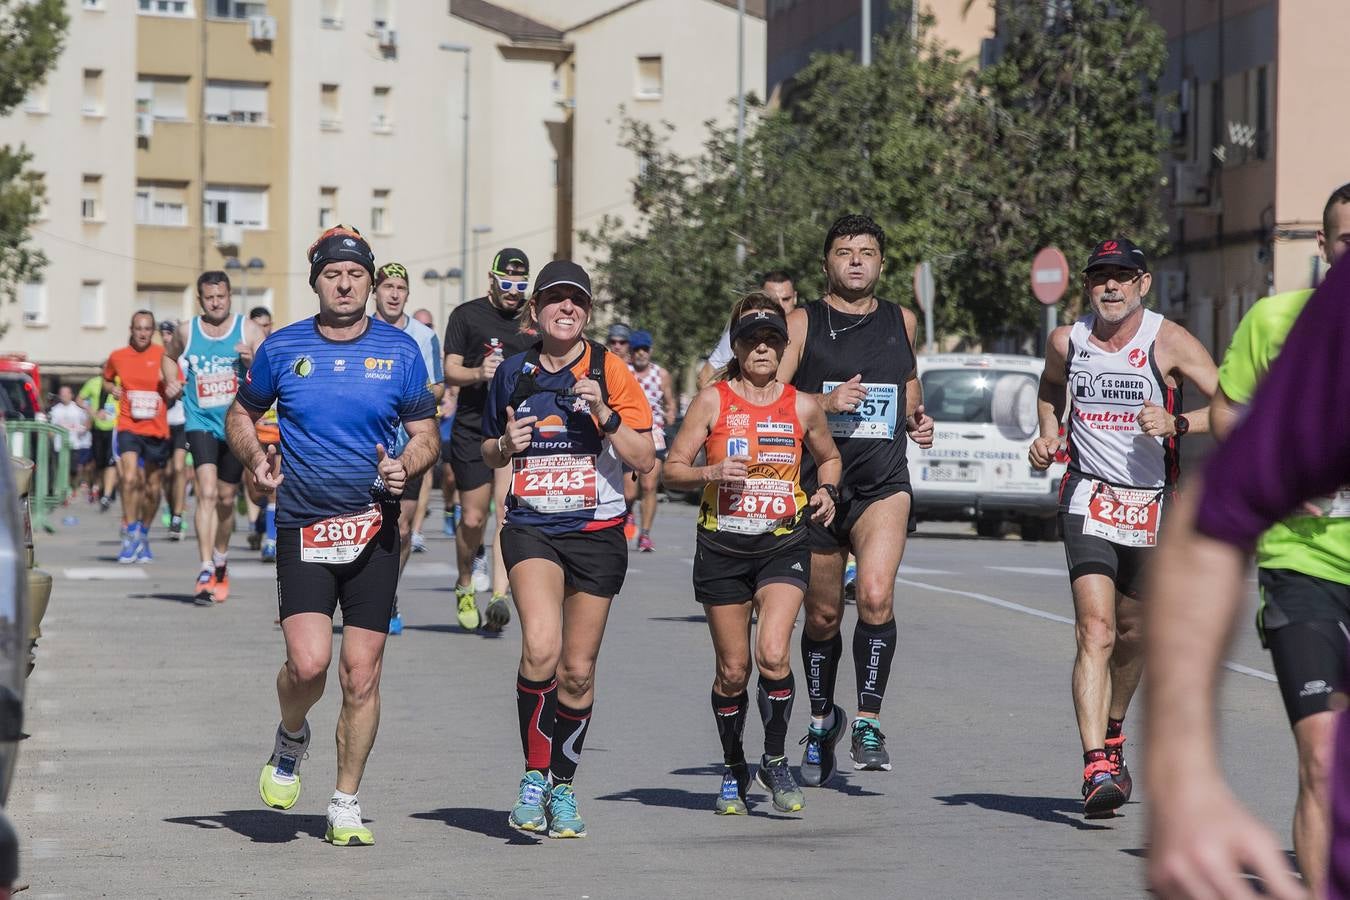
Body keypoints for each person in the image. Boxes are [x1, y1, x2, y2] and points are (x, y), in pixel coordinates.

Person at [1145, 253, 1350, 900]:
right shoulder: (1320, 318)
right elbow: (1209, 518)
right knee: (1320, 754)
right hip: (1305, 562)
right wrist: (1184, 778)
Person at [226, 225, 438, 847]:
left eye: (355, 275)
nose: (344, 284)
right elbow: (242, 412)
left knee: (361, 673)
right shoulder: (281, 347)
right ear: (316, 281)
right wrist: (255, 460)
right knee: (308, 663)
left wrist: (410, 464)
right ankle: (291, 735)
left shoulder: (400, 352)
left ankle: (345, 800)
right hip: (304, 526)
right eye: (332, 274)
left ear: (370, 284)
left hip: (374, 528)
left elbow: (425, 432)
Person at [1028, 237, 1217, 817]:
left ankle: (1112, 731)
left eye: (1121, 276)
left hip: (1153, 506)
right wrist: (1048, 433)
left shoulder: (1169, 339)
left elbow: (1237, 403)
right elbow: (1050, 387)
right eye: (1099, 277)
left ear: (1143, 283)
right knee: (1097, 629)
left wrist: (1179, 419)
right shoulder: (1070, 339)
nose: (1109, 286)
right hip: (1087, 497)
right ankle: (1096, 766)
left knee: (1135, 636)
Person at [481, 260, 654, 839]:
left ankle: (563, 785)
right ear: (535, 311)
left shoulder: (611, 370)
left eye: (576, 302)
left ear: (586, 312)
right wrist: (505, 444)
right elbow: (486, 450)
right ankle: (533, 776)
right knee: (541, 647)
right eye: (555, 300)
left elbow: (643, 458)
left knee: (577, 672)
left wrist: (604, 415)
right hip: (531, 526)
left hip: (597, 533)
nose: (566, 309)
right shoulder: (512, 372)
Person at [664, 295, 841, 814]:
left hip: (782, 545)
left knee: (772, 654)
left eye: (771, 341)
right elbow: (671, 468)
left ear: (784, 349)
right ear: (737, 348)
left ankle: (775, 757)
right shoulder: (712, 401)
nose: (761, 348)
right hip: (721, 546)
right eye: (751, 340)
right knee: (734, 671)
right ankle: (733, 764)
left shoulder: (802, 404)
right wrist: (709, 474)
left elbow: (829, 457)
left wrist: (827, 491)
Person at [774, 214, 934, 785]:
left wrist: (918, 416)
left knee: (873, 595)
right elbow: (774, 396)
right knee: (819, 615)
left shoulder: (901, 319)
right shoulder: (801, 322)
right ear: (827, 264)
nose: (857, 261)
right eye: (845, 252)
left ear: (882, 263)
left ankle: (868, 720)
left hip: (882, 482)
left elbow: (908, 383)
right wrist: (826, 400)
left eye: (867, 252)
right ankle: (823, 721)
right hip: (816, 486)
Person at [443, 247, 537, 632]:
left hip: (514, 428)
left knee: (505, 511)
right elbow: (450, 370)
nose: (513, 292)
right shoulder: (467, 315)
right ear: (492, 279)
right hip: (471, 427)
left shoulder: (533, 323)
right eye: (507, 282)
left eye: (521, 284)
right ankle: (466, 582)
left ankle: (499, 595)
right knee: (472, 517)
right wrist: (479, 372)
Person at [167, 272, 267, 604]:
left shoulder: (248, 330)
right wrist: (171, 382)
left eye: (221, 297)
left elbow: (269, 371)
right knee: (206, 492)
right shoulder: (186, 330)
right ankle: (205, 566)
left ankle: (221, 558)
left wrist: (251, 362)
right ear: (200, 299)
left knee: (226, 499)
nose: (216, 303)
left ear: (229, 296)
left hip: (236, 424)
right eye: (209, 298)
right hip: (199, 420)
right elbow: (167, 358)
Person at [371, 262, 446, 634]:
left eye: (401, 287)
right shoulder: (360, 331)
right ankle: (361, 593)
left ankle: (387, 594)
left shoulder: (423, 335)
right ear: (375, 291)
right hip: (367, 446)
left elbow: (439, 388)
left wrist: (403, 394)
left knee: (401, 528)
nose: (394, 293)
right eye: (388, 286)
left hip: (410, 446)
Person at [102, 311, 183, 563]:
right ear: (131, 328)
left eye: (148, 328)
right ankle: (130, 532)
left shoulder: (163, 355)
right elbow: (105, 379)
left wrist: (173, 388)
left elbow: (178, 384)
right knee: (128, 478)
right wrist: (112, 388)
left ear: (153, 331)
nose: (143, 333)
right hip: (128, 425)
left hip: (156, 429)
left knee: (152, 488)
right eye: (139, 328)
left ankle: (144, 533)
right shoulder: (118, 356)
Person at [697, 271, 799, 389]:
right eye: (774, 301)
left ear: (795, 297)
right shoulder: (743, 329)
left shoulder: (809, 325)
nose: (781, 306)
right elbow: (704, 377)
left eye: (786, 299)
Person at [623, 330, 676, 552]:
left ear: (650, 351)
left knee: (649, 485)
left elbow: (670, 401)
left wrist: (671, 415)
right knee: (629, 492)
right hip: (629, 432)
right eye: (637, 350)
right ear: (631, 352)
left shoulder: (661, 374)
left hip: (654, 432)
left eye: (644, 349)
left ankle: (645, 534)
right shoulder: (623, 371)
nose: (641, 354)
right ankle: (627, 514)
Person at [242, 305, 274, 553]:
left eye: (267, 324)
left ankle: (270, 541)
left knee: (275, 483)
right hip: (251, 430)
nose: (264, 329)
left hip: (275, 430)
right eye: (259, 325)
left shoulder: (278, 348)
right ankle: (255, 521)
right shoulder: (239, 352)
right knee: (253, 489)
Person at [159, 321, 189, 542]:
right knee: (166, 474)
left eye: (171, 333)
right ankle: (172, 508)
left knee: (179, 468)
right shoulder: (158, 358)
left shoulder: (186, 358)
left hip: (182, 421)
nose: (167, 337)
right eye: (164, 333)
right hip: (160, 423)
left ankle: (177, 516)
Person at [78, 372, 119, 510]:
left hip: (114, 428)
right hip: (97, 428)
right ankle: (101, 489)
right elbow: (79, 399)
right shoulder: (93, 382)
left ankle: (107, 494)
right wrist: (92, 412)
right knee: (99, 462)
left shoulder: (119, 382)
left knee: (111, 462)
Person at [48, 385, 91, 494]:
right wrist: (52, 438)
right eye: (62, 394)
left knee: (74, 469)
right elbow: (50, 428)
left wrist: (84, 430)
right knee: (62, 468)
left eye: (66, 394)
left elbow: (87, 421)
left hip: (74, 444)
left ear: (71, 395)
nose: (64, 396)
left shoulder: (77, 409)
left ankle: (73, 487)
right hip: (59, 445)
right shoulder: (55, 410)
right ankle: (65, 490)